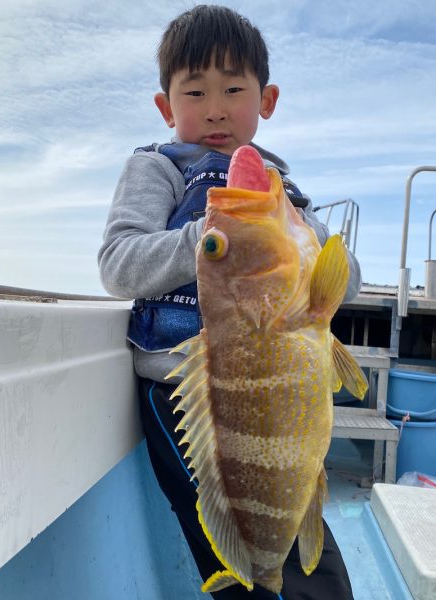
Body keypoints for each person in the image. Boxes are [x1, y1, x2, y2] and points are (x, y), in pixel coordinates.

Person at [98, 5, 361, 599]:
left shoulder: (282, 189)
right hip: (181, 401)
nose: (215, 108)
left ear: (265, 101)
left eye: (233, 89)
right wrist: (214, 240)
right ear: (166, 108)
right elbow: (118, 264)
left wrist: (306, 241)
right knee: (229, 550)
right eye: (194, 92)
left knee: (302, 544)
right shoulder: (158, 167)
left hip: (282, 396)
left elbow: (347, 282)